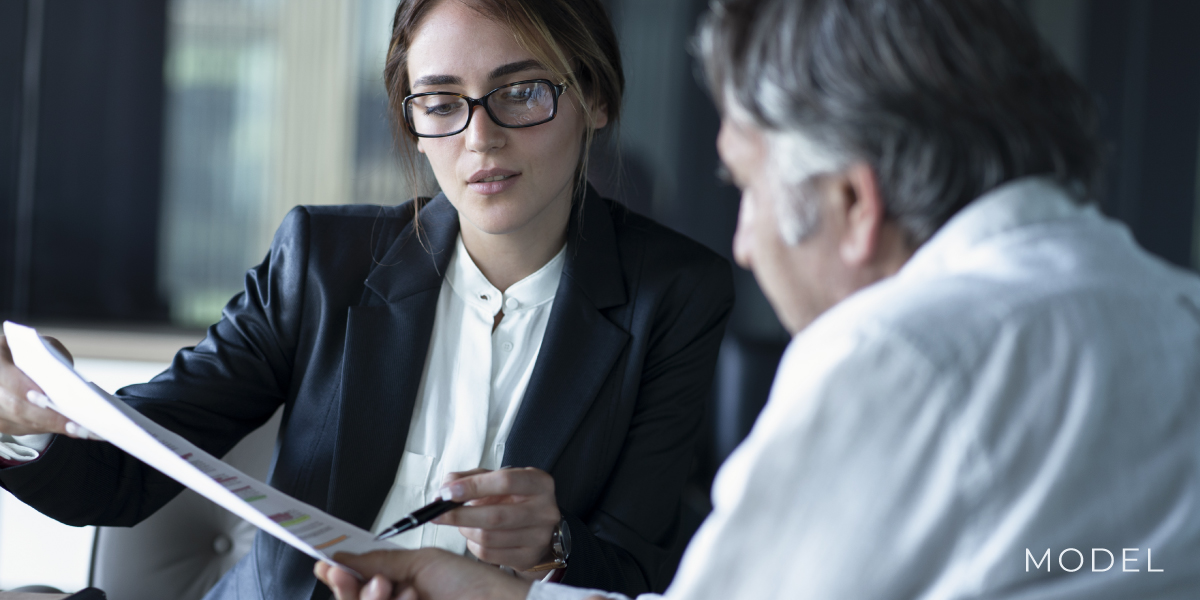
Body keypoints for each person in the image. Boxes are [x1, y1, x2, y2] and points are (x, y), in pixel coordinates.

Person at [312, 0, 1200, 598]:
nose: (741, 241)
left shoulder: (893, 359)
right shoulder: (1174, 312)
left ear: (852, 205)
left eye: (749, 187)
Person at [0, 0, 734, 598]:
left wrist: (555, 546)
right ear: (413, 121)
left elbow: (640, 573)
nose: (480, 138)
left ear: (595, 97)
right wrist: (18, 418)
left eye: (520, 93)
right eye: (441, 103)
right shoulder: (322, 260)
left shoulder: (674, 295)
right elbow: (125, 477)